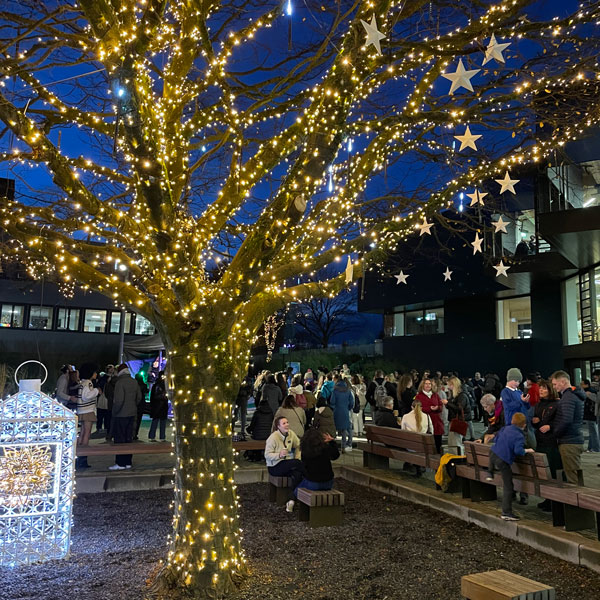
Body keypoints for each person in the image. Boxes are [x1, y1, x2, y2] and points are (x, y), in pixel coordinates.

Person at [486, 413, 535, 521]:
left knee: (493, 454)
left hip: (493, 455)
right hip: (503, 460)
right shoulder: (519, 436)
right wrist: (526, 450)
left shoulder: (505, 428)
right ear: (524, 425)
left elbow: (496, 439)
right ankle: (506, 512)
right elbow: (518, 451)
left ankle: (490, 472)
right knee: (508, 487)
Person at [531, 379, 561, 511]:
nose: (541, 390)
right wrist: (535, 422)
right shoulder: (538, 405)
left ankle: (555, 500)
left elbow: (561, 421)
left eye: (544, 388)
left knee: (553, 471)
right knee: (544, 472)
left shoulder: (557, 404)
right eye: (540, 388)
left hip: (551, 442)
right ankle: (548, 498)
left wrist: (550, 426)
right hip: (540, 441)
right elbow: (537, 422)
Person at [551, 370, 585, 485]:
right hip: (573, 439)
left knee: (573, 479)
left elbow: (566, 420)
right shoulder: (572, 396)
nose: (554, 387)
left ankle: (578, 502)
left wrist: (555, 433)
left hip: (569, 441)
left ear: (563, 382)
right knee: (574, 475)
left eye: (555, 384)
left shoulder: (568, 397)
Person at [265, 416, 304, 512]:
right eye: (284, 423)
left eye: (287, 422)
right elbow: (267, 455)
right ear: (278, 426)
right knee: (298, 464)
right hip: (275, 466)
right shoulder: (273, 438)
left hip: (288, 464)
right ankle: (312, 477)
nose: (287, 425)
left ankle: (291, 500)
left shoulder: (291, 434)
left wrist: (297, 456)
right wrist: (279, 455)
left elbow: (298, 445)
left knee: (298, 474)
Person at [110, 363, 142, 470]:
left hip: (121, 414)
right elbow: (139, 397)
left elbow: (118, 401)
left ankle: (120, 463)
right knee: (129, 438)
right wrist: (133, 406)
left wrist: (115, 412)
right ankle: (128, 462)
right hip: (132, 413)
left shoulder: (120, 383)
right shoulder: (134, 382)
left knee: (120, 439)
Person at [295, 428, 340, 496]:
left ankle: (291, 501)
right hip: (328, 482)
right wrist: (332, 441)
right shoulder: (325, 448)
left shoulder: (305, 451)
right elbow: (335, 456)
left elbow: (304, 467)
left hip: (313, 482)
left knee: (296, 490)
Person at [75, 363, 100, 470]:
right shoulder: (88, 383)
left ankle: (78, 456)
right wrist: (97, 391)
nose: (96, 374)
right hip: (88, 410)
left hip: (81, 410)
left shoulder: (82, 383)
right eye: (95, 372)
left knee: (82, 434)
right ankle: (83, 458)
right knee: (86, 434)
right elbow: (87, 396)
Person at [416, 378, 445, 453]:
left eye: (429, 384)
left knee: (438, 444)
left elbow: (441, 406)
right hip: (426, 422)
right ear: (422, 385)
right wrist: (429, 408)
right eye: (426, 383)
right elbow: (418, 408)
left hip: (436, 422)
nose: (428, 385)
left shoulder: (435, 395)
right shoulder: (419, 396)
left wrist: (437, 408)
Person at [330, 373, 355, 453]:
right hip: (345, 411)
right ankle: (343, 446)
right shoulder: (348, 390)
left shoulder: (335, 390)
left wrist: (334, 407)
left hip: (337, 411)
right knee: (344, 430)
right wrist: (348, 408)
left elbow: (332, 401)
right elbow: (351, 402)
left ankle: (332, 447)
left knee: (334, 429)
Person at [446, 376, 471, 453]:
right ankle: (453, 456)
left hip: (458, 421)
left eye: (449, 385)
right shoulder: (455, 395)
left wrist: (447, 403)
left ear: (453, 385)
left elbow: (459, 408)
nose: (448, 387)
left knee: (456, 442)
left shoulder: (462, 395)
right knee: (452, 442)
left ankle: (457, 457)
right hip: (454, 420)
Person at [148, 371, 169, 442]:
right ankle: (160, 437)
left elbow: (153, 397)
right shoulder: (162, 385)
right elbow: (156, 396)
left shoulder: (157, 384)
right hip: (160, 405)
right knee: (160, 421)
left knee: (156, 421)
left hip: (158, 406)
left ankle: (153, 436)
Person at [581, 379, 600, 453]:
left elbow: (594, 402)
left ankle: (595, 448)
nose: (581, 386)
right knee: (592, 432)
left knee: (593, 432)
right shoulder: (589, 392)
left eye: (582, 384)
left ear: (587, 385)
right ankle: (591, 447)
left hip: (591, 414)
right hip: (591, 414)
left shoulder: (590, 392)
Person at [134, 371, 148, 440]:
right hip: (141, 403)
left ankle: (132, 433)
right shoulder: (143, 385)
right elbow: (147, 391)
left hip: (134, 403)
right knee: (139, 419)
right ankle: (136, 433)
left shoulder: (134, 385)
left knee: (134, 419)